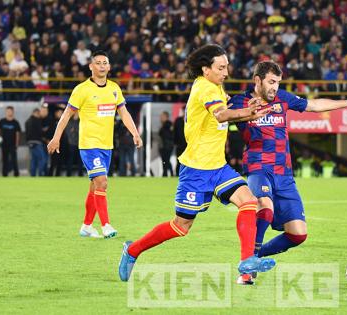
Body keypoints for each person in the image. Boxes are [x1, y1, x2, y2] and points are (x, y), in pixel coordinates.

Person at [118, 44, 275, 284]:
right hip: (196, 170)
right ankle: (133, 250)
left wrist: (246, 112)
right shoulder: (205, 88)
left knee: (249, 202)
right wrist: (247, 112)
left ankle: (246, 263)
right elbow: (221, 115)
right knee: (181, 226)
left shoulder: (215, 87)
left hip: (218, 168)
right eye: (221, 67)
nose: (226, 72)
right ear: (206, 69)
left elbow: (224, 112)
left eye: (227, 66)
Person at [228, 61, 347, 284]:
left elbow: (313, 105)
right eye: (271, 82)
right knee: (265, 207)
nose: (275, 87)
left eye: (278, 83)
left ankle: (255, 256)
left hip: (284, 173)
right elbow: (220, 114)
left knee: (298, 234)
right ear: (258, 80)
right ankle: (248, 269)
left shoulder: (283, 98)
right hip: (258, 167)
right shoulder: (239, 101)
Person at [47, 50, 142, 239]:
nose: (101, 66)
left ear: (109, 66)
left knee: (94, 186)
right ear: (91, 66)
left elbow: (124, 113)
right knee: (102, 182)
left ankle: (87, 226)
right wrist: (56, 137)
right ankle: (106, 225)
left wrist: (135, 133)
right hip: (89, 144)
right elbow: (66, 114)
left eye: (104, 63)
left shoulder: (114, 88)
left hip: (106, 145)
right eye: (97, 63)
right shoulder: (82, 90)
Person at [0, 106, 21, 177]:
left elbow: (17, 134)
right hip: (4, 144)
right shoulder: (2, 121)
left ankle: (16, 173)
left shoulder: (16, 122)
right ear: (6, 112)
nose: (9, 112)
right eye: (7, 111)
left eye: (10, 111)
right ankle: (4, 174)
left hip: (12, 144)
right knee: (4, 160)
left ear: (13, 112)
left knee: (14, 160)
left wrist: (16, 144)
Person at [24, 108, 45, 176]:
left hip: (30, 143)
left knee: (34, 159)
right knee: (42, 158)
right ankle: (40, 173)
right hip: (37, 142)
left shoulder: (27, 121)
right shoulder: (37, 120)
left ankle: (33, 175)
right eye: (39, 114)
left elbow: (27, 133)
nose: (39, 115)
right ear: (36, 113)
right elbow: (39, 132)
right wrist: (44, 130)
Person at [158, 111, 174, 177]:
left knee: (166, 160)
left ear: (166, 117)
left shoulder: (168, 124)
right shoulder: (165, 124)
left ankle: (167, 173)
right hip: (165, 146)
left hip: (167, 146)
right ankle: (167, 173)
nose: (160, 118)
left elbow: (166, 135)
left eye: (162, 116)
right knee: (165, 160)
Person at [173, 106, 186, 176]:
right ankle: (177, 175)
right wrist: (175, 143)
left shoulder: (191, 120)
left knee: (189, 163)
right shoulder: (178, 121)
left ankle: (187, 176)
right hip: (180, 146)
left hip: (189, 146)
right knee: (179, 161)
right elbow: (175, 133)